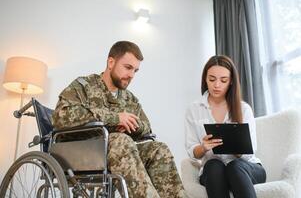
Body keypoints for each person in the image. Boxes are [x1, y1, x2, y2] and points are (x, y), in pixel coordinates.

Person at [52, 41, 186, 198]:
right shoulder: (83, 86)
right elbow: (61, 116)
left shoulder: (129, 98)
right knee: (121, 141)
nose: (131, 75)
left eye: (135, 71)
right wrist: (115, 118)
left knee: (158, 149)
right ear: (111, 62)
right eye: (128, 67)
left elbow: (147, 127)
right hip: (84, 151)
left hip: (120, 152)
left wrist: (131, 125)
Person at [184, 55, 266, 198]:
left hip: (246, 168)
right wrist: (203, 147)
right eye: (212, 79)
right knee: (214, 165)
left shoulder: (244, 109)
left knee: (234, 167)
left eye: (223, 80)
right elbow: (192, 151)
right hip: (213, 170)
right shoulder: (193, 109)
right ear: (205, 78)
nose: (217, 85)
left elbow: (251, 152)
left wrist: (238, 148)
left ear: (231, 81)